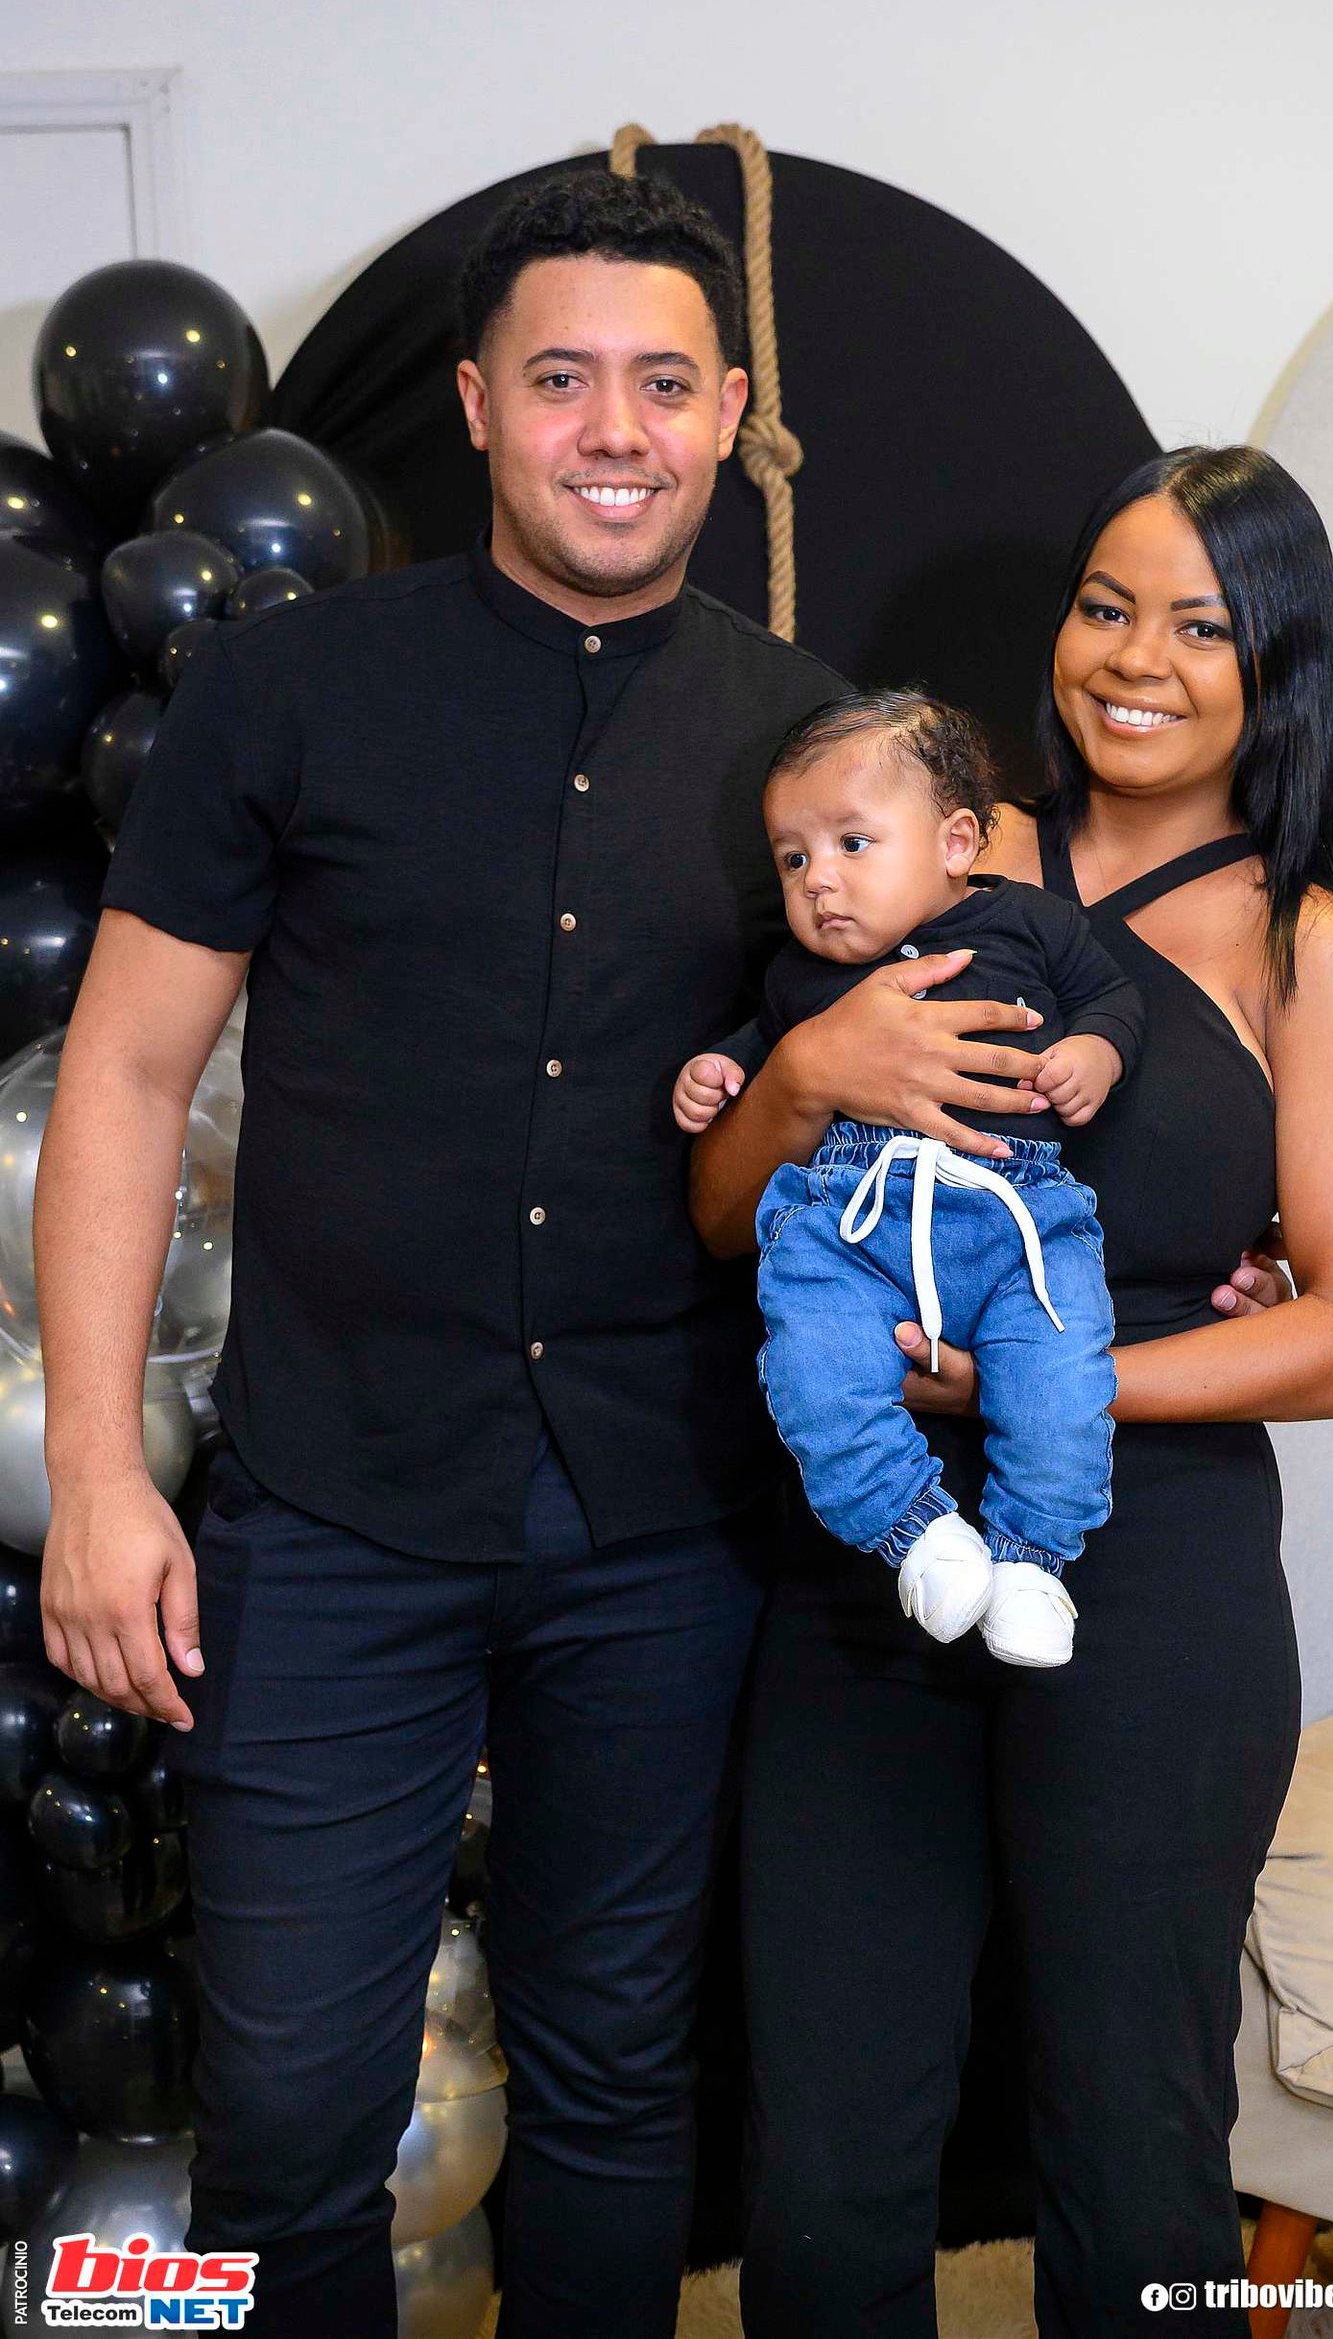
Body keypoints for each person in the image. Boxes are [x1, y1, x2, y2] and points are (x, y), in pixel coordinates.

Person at [32, 166, 860, 2339]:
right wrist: (100, 1474)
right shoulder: (286, 690)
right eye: (563, 379)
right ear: (480, 406)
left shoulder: (811, 743)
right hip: (326, 1514)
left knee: (611, 2086)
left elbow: (891, 1092)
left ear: (730, 412)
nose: (615, 429)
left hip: (665, 1528)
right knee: (289, 2115)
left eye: (663, 384)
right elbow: (122, 1076)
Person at [689, 444, 1333, 2337]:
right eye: (1107, 606)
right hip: (869, 1572)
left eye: (1201, 625)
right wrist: (803, 1079)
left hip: (1152, 1582)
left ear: (1280, 664)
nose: (1136, 659)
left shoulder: (1306, 944)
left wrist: (1060, 1382)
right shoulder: (915, 849)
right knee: (826, 2147)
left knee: (1134, 2140)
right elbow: (722, 1213)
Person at [673, 686, 1144, 1665]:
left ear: (955, 842)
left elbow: (1111, 997)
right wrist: (719, 1069)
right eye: (792, 857)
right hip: (852, 1221)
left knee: (1060, 1387)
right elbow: (766, 1049)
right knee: (811, 1368)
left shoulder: (1032, 923)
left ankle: (1032, 1561)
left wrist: (1095, 1052)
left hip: (1017, 1212)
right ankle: (913, 1531)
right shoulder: (797, 976)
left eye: (853, 844)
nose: (818, 881)